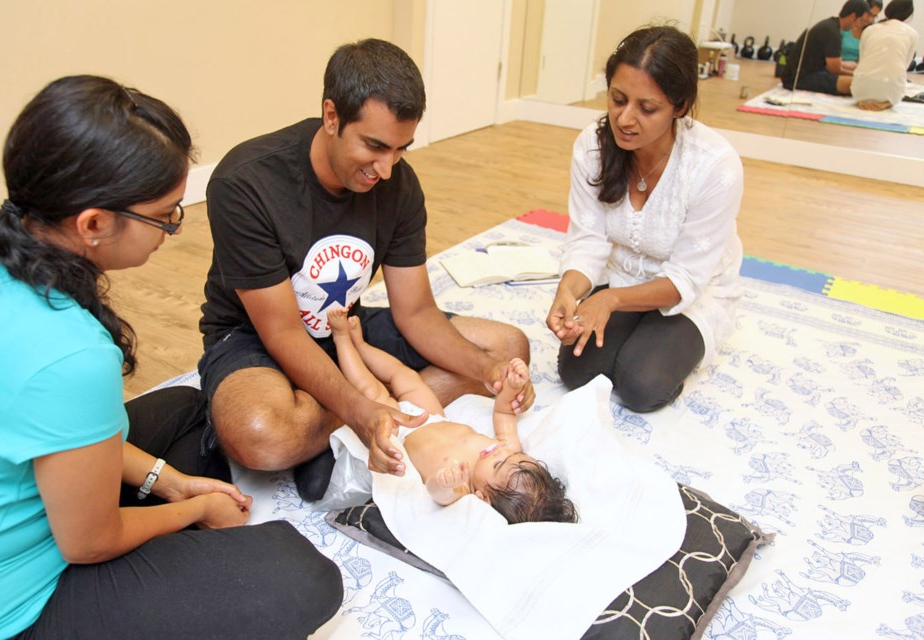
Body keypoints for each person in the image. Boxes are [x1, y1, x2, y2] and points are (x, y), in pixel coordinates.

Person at [0, 75, 341, 640]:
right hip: (9, 608)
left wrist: (170, 482)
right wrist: (191, 510)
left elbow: (60, 433)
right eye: (165, 215)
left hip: (32, 504)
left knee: (192, 408)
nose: (171, 229)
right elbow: (88, 542)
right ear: (92, 223)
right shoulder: (67, 354)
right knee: (301, 576)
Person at [198, 38, 534, 477]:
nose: (387, 169)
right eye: (374, 146)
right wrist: (359, 408)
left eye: (401, 149)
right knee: (264, 434)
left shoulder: (399, 184)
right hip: (255, 335)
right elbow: (282, 332)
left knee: (508, 349)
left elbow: (414, 311)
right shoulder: (246, 183)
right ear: (332, 116)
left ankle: (356, 416)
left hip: (345, 327)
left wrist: (486, 370)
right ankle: (373, 409)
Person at [545, 25, 744, 414]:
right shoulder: (592, 146)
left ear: (679, 106)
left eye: (646, 108)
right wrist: (567, 291)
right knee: (577, 373)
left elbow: (686, 278)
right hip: (622, 278)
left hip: (692, 293)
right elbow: (588, 240)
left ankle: (653, 345)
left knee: (641, 386)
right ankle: (632, 334)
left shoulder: (714, 166)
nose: (625, 119)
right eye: (618, 99)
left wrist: (610, 300)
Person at [327, 307, 577, 524]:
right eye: (515, 455)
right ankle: (362, 346)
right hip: (432, 416)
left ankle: (342, 341)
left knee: (371, 390)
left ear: (484, 498)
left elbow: (436, 494)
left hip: (400, 434)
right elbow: (503, 411)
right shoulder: (507, 450)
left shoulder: (462, 487)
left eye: (498, 464)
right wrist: (511, 387)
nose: (501, 452)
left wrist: (444, 483)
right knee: (402, 375)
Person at [781, 0, 872, 95]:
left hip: (803, 73)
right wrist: (858, 75)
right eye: (861, 21)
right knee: (856, 84)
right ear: (853, 16)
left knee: (857, 79)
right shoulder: (832, 32)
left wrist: (857, 69)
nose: (860, 26)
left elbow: (836, 64)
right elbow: (835, 69)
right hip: (798, 78)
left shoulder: (831, 25)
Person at [852, 0, 919, 110]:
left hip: (859, 91)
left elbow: (862, 59)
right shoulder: (912, 34)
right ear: (909, 14)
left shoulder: (870, 30)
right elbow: (905, 66)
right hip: (892, 93)